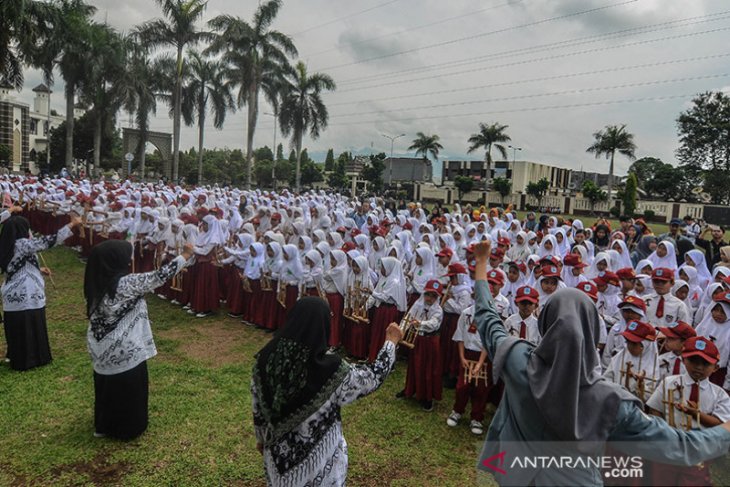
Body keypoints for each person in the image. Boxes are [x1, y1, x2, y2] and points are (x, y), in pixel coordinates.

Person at [471, 240, 730, 486]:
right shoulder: (610, 400)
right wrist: (724, 432)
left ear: (546, 325)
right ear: (593, 330)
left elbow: (487, 319)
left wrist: (481, 264)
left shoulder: (518, 362)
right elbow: (678, 446)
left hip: (517, 475)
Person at [251, 298, 403, 486]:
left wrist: (261, 438)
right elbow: (372, 377)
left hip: (278, 465)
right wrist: (390, 343)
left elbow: (258, 409)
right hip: (320, 468)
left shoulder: (264, 359)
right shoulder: (331, 369)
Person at [84, 240, 193, 440]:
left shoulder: (95, 281)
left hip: (99, 346)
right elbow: (160, 276)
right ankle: (127, 429)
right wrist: (185, 255)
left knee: (106, 386)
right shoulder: (125, 284)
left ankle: (104, 426)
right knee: (127, 389)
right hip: (124, 348)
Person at [1, 211, 80, 371]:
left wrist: (39, 268)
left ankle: (16, 356)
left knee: (17, 327)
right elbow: (47, 241)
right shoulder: (22, 244)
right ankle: (33, 359)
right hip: (26, 293)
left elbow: (16, 263)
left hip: (12, 292)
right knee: (30, 325)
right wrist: (72, 224)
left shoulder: (7, 243)